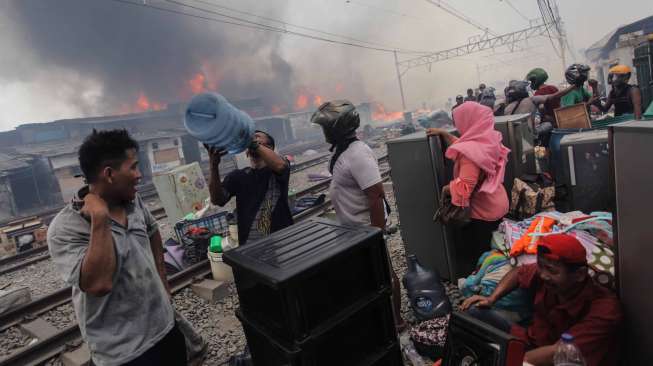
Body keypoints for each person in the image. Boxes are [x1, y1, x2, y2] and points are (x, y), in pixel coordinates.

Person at [48, 129, 186, 366]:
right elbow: (99, 283)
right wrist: (100, 218)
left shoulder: (134, 201)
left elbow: (152, 233)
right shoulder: (65, 229)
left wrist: (163, 285)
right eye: (133, 167)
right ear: (109, 174)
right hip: (123, 353)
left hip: (165, 330)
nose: (139, 175)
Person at [311, 100, 407, 331]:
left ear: (338, 128)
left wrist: (376, 234)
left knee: (384, 274)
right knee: (368, 277)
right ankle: (378, 320)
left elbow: (375, 195)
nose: (324, 132)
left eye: (326, 127)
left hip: (366, 229)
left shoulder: (358, 154)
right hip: (353, 230)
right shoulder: (343, 151)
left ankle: (396, 322)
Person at [461, 234, 622, 366]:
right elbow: (518, 273)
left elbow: (559, 352)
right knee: (475, 314)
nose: (543, 275)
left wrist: (508, 361)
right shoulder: (545, 275)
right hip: (529, 341)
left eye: (551, 271)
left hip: (560, 360)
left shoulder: (605, 309)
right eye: (541, 266)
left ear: (579, 274)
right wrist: (491, 298)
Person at [426, 102, 510, 276]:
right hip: (497, 204)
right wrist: (444, 134)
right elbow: (467, 147)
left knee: (482, 257)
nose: (457, 125)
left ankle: (483, 288)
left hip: (483, 214)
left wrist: (447, 189)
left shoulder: (470, 154)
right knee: (497, 252)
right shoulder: (488, 140)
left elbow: (465, 188)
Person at [207, 130, 293, 245]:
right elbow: (217, 200)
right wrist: (213, 165)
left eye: (256, 137)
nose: (251, 139)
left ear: (269, 148)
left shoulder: (279, 168)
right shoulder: (237, 176)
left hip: (283, 242)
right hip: (251, 246)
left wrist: (252, 143)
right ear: (247, 152)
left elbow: (280, 165)